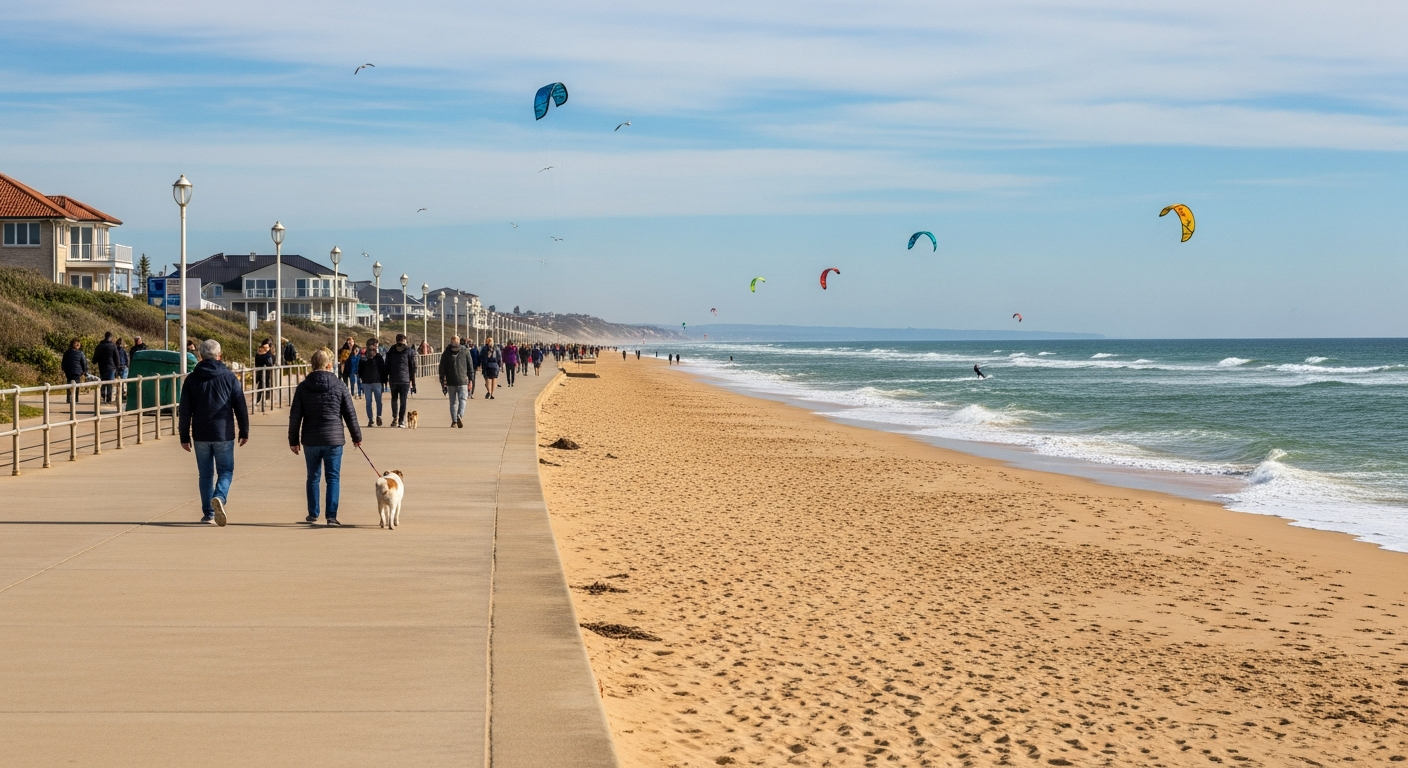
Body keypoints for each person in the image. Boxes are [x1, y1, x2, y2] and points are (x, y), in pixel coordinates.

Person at [178, 339, 249, 526]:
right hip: (223, 432)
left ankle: (208, 514)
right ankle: (219, 496)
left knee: (205, 474)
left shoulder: (192, 379)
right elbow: (240, 405)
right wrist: (244, 430)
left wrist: (184, 435)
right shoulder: (229, 377)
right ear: (220, 355)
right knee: (225, 471)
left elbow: (185, 409)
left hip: (200, 433)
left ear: (200, 356)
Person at [288, 348, 362, 526]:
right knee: (333, 477)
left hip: (311, 439)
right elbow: (350, 414)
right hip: (334, 439)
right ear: (329, 365)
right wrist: (356, 436)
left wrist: (293, 441)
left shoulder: (303, 387)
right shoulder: (339, 385)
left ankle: (313, 513)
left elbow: (295, 416)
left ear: (312, 366)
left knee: (313, 476)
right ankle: (331, 516)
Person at [384, 333, 417, 428]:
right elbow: (413, 367)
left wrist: (385, 379)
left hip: (393, 379)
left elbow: (387, 366)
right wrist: (413, 382)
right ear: (404, 340)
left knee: (394, 399)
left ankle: (395, 418)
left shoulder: (391, 350)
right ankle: (401, 421)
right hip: (405, 380)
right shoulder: (409, 351)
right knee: (403, 400)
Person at [439, 335, 471, 428]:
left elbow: (442, 367)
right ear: (459, 341)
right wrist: (471, 379)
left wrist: (442, 380)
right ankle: (459, 415)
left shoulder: (446, 352)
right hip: (462, 380)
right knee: (463, 399)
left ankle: (454, 422)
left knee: (453, 402)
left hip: (450, 380)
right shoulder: (465, 350)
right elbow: (470, 366)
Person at [359, 337, 387, 426]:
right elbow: (359, 370)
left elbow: (383, 369)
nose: (376, 347)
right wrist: (362, 379)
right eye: (375, 345)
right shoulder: (363, 358)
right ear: (370, 345)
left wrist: (384, 381)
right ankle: (371, 419)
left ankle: (378, 416)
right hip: (368, 382)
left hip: (376, 382)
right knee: (369, 402)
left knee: (377, 401)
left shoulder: (378, 357)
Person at [94, 331, 118, 404]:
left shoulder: (99, 346)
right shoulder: (113, 346)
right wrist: (117, 367)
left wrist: (94, 361)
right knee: (110, 382)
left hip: (102, 367)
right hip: (111, 367)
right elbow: (117, 358)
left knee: (103, 381)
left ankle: (103, 394)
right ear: (111, 337)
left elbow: (95, 357)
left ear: (105, 336)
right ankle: (109, 398)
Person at [61, 338, 88, 404]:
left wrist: (64, 369)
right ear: (78, 345)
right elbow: (84, 362)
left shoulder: (66, 353)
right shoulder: (80, 353)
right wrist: (85, 371)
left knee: (69, 384)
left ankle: (68, 399)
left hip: (68, 371)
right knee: (76, 386)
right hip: (77, 372)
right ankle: (75, 399)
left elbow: (63, 363)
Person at [253, 338, 275, 405]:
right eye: (264, 347)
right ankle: (259, 400)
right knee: (261, 386)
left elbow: (272, 363)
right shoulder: (260, 354)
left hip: (267, 373)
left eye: (266, 347)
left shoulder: (271, 354)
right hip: (261, 373)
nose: (265, 349)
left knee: (267, 386)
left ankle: (265, 400)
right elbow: (257, 363)